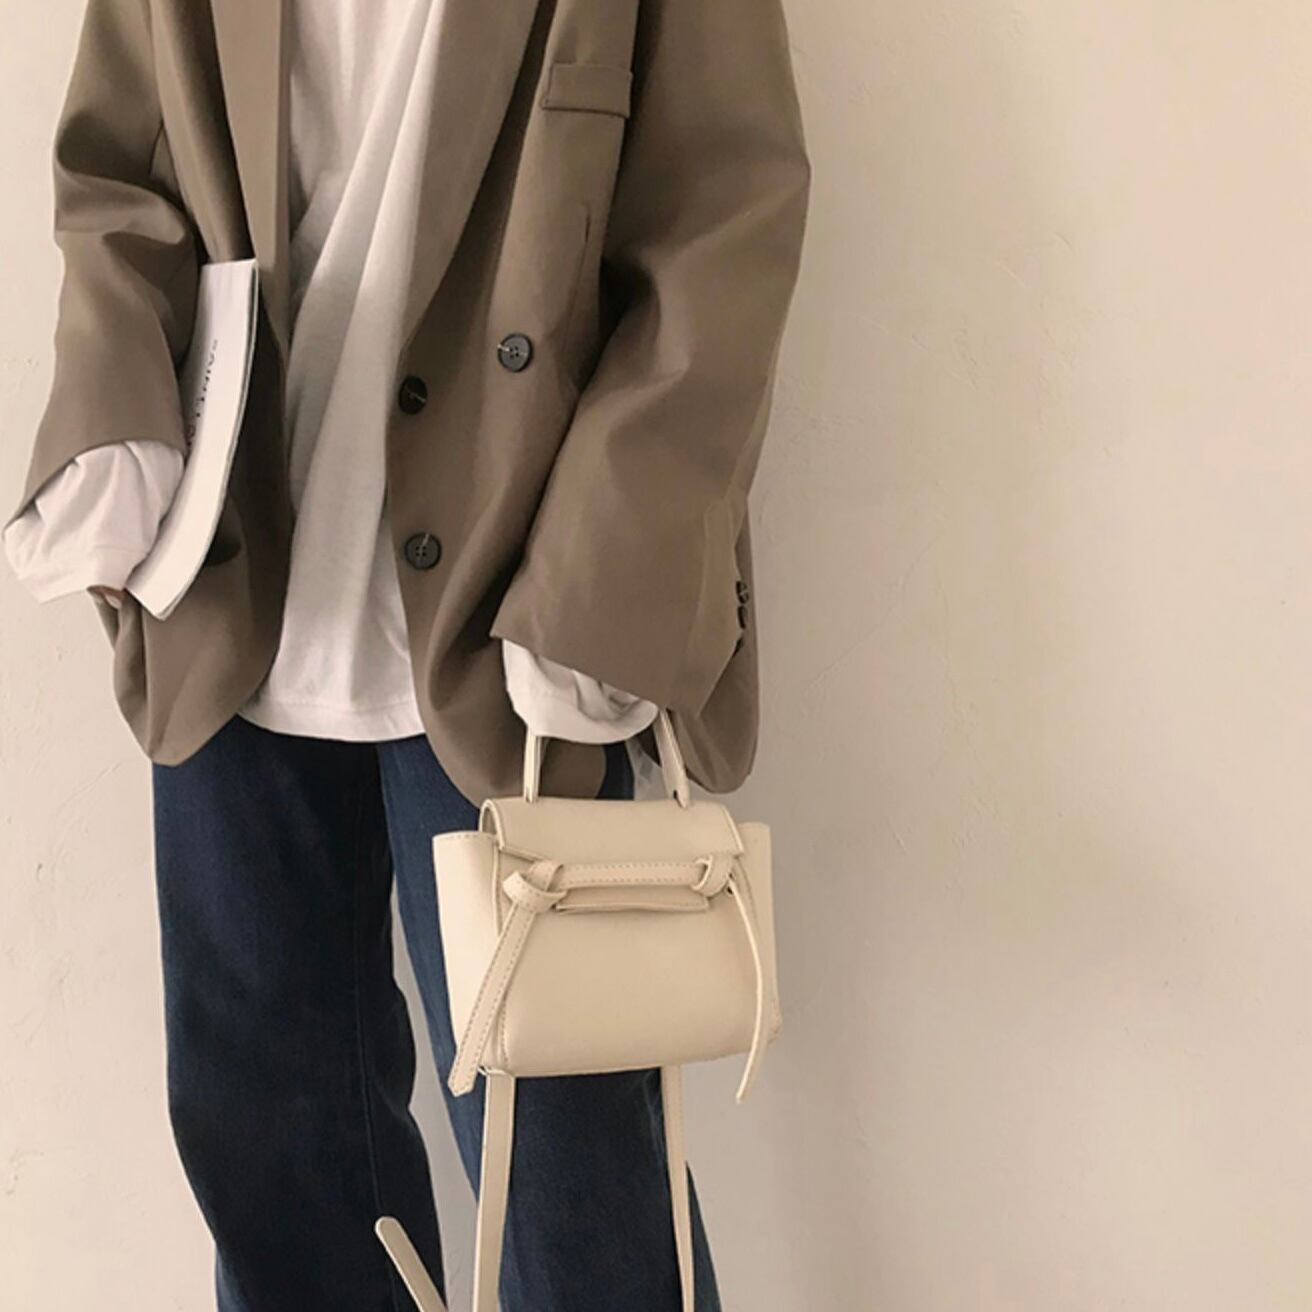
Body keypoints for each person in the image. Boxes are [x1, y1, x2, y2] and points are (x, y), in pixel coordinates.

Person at [2, 0, 810, 1308]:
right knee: (275, 1180)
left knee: (574, 1197)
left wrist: (609, 585)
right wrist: (116, 425)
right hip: (236, 602)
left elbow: (722, 224)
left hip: (516, 632)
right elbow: (120, 180)